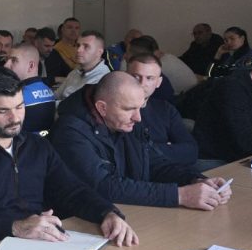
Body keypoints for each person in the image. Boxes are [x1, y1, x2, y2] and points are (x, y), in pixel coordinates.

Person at [0, 69, 137, 250]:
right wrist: (17, 227)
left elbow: (72, 190)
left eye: (19, 107)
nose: (15, 118)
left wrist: (107, 212)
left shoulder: (37, 146)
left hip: (36, 245)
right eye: (3, 111)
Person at [52, 72, 231, 209]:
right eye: (129, 109)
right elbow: (102, 186)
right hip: (82, 223)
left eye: (140, 107)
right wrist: (180, 196)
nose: (138, 117)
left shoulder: (126, 122)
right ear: (102, 108)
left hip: (129, 212)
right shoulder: (70, 132)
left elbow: (155, 164)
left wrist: (194, 180)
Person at [126, 53, 199, 165]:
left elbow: (191, 151)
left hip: (169, 170)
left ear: (158, 82)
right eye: (136, 77)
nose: (142, 83)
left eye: (149, 78)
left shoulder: (165, 108)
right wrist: (168, 148)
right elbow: (127, 155)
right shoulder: (114, 110)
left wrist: (148, 150)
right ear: (125, 77)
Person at [2, 42, 56, 135]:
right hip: (44, 142)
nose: (6, 65)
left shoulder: (17, 96)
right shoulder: (49, 91)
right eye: (7, 60)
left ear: (31, 66)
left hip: (22, 143)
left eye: (13, 60)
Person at [55, 30, 110, 101]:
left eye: (86, 46)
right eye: (78, 45)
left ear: (99, 52)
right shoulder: (75, 72)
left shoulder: (103, 79)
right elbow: (56, 96)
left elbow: (75, 106)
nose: (78, 50)